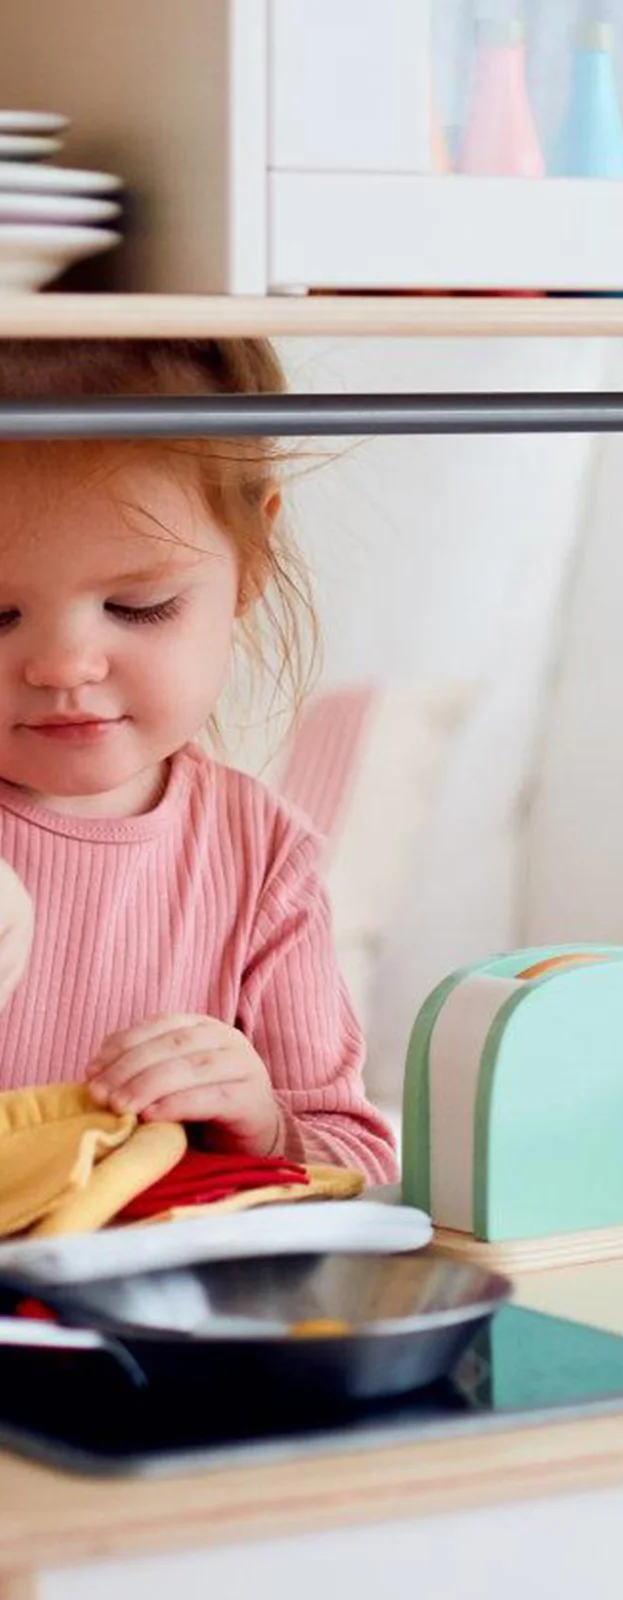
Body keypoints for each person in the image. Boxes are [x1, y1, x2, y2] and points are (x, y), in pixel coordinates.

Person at [0, 339, 396, 1184]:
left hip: (149, 1300)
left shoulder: (259, 856)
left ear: (250, 560)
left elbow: (360, 1161)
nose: (64, 666)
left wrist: (260, 1119)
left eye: (138, 607)